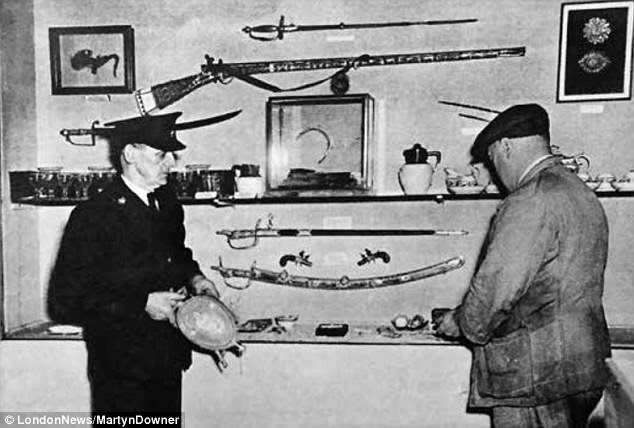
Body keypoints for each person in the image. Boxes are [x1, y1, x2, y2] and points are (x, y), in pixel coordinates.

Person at [433, 104, 611, 427]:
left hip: (536, 376)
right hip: (581, 367)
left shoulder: (529, 200)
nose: (496, 172)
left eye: (492, 160)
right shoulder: (578, 191)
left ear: (505, 147)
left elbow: (494, 291)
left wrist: (458, 321)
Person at [47, 112, 225, 421]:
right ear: (130, 154)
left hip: (167, 358)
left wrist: (195, 278)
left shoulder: (166, 203)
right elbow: (65, 301)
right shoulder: (94, 215)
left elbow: (176, 254)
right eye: (160, 155)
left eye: (171, 155)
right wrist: (142, 303)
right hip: (121, 370)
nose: (171, 163)